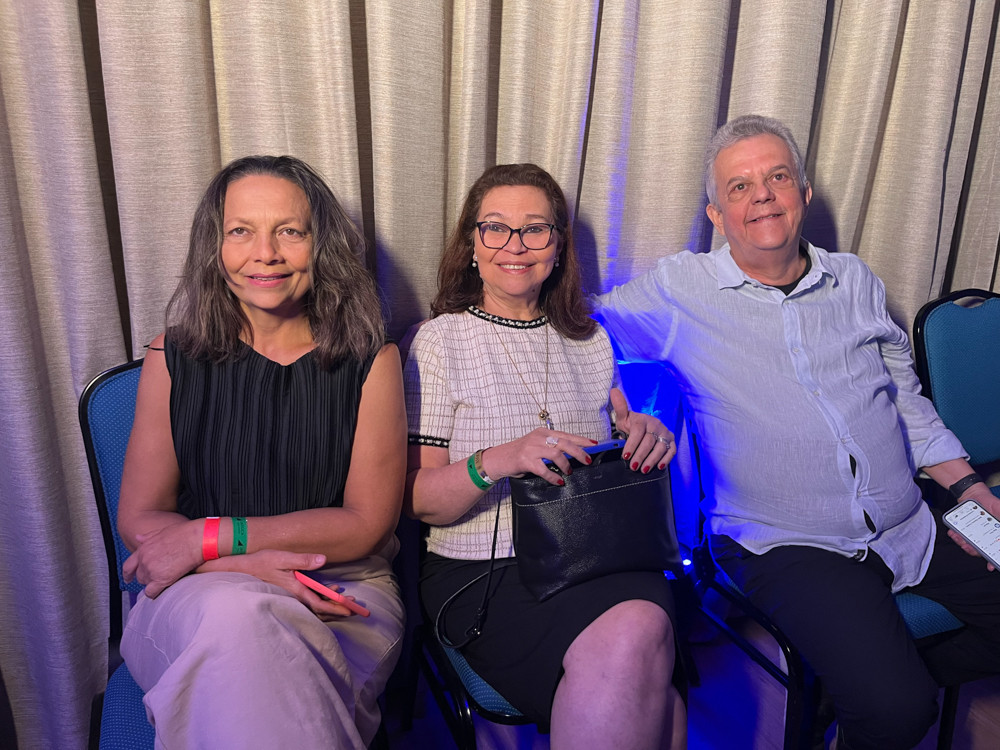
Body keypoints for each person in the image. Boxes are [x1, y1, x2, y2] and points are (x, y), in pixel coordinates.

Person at [596, 114, 1000, 750]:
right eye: (739, 186)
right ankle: (871, 701)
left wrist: (974, 495)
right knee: (898, 713)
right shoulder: (679, 291)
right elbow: (578, 331)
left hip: (909, 524)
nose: (761, 195)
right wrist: (621, 403)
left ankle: (841, 697)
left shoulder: (855, 281)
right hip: (785, 542)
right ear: (716, 216)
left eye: (777, 177)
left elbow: (907, 405)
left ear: (804, 194)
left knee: (897, 693)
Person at [117, 155, 406, 748]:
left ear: (320, 245)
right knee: (238, 618)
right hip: (194, 588)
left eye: (290, 232)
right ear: (214, 246)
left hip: (339, 585)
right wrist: (228, 563)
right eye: (241, 231)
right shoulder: (171, 356)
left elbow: (365, 524)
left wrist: (215, 537)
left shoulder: (372, 360)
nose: (265, 253)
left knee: (250, 671)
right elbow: (140, 518)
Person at [403, 163, 686, 749]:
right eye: (495, 227)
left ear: (558, 247)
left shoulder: (592, 340)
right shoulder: (437, 341)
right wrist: (499, 460)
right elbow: (420, 501)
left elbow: (621, 433)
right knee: (649, 664)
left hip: (595, 557)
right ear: (471, 243)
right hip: (484, 572)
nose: (515, 245)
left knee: (647, 642)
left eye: (535, 229)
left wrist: (645, 433)